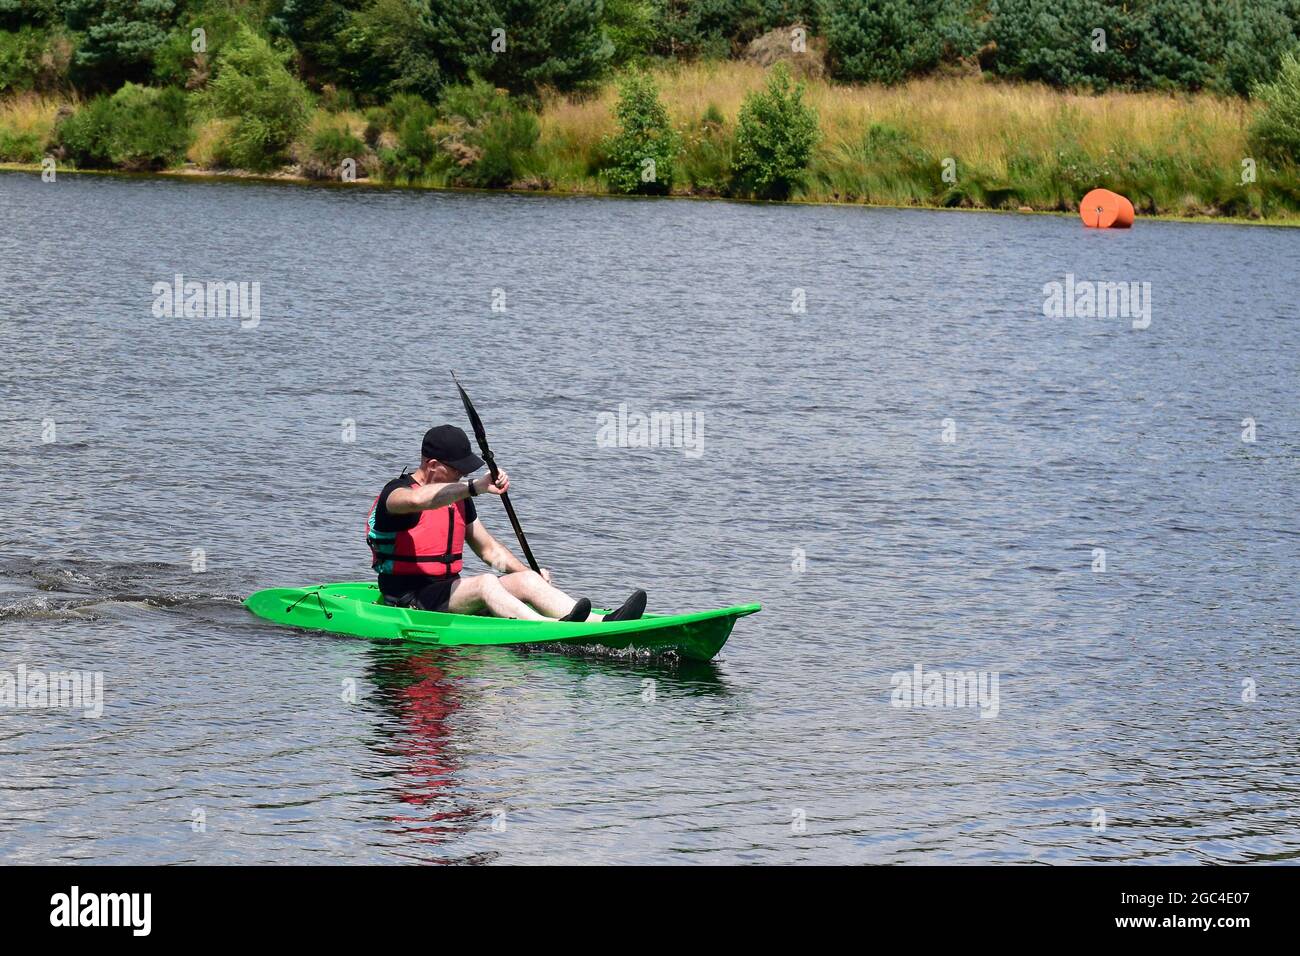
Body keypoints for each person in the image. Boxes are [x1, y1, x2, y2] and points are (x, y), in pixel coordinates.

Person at [366, 424, 646, 622]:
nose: (463, 475)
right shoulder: (396, 495)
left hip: (445, 592)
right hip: (410, 599)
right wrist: (475, 485)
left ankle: (602, 622)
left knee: (525, 578)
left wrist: (529, 575)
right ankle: (548, 629)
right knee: (486, 583)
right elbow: (420, 501)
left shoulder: (458, 498)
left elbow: (489, 551)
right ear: (432, 464)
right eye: (458, 470)